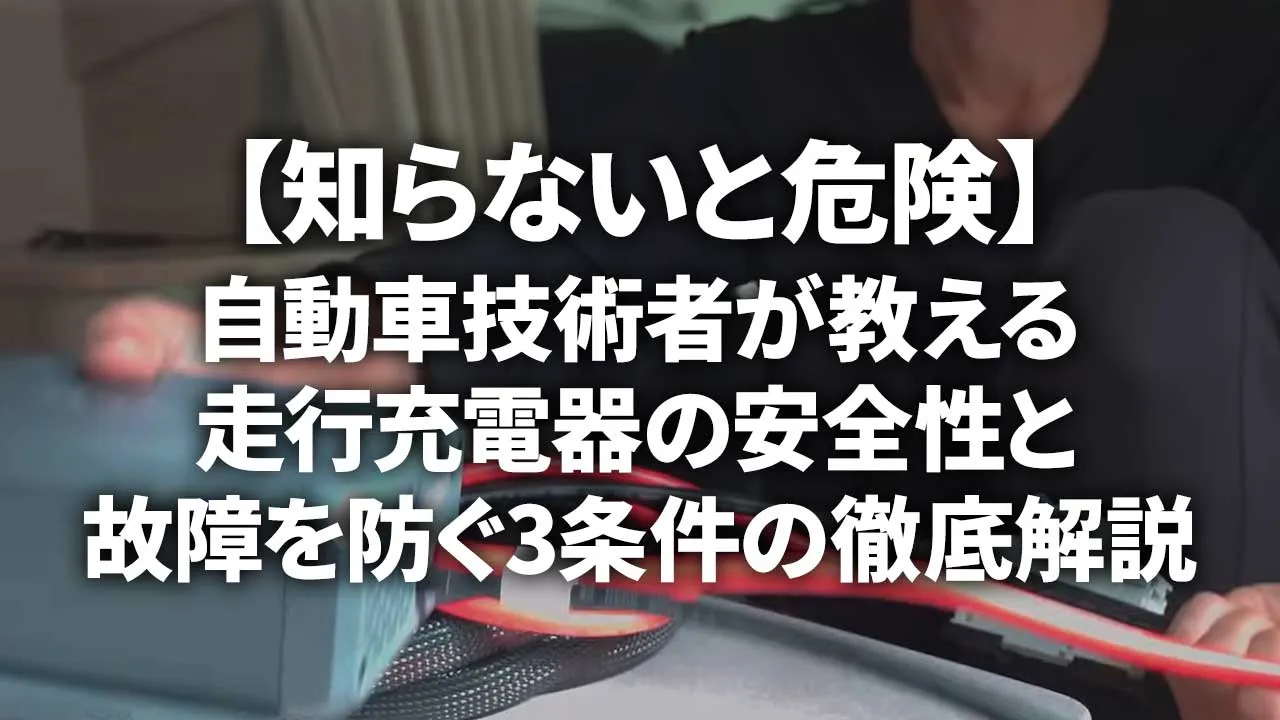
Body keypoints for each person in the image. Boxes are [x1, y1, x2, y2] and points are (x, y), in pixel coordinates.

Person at [81, 0, 1280, 718]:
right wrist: (238, 350)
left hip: (1191, 646)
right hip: (834, 639)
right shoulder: (750, 89)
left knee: (1163, 264)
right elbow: (522, 282)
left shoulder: (1245, 70)